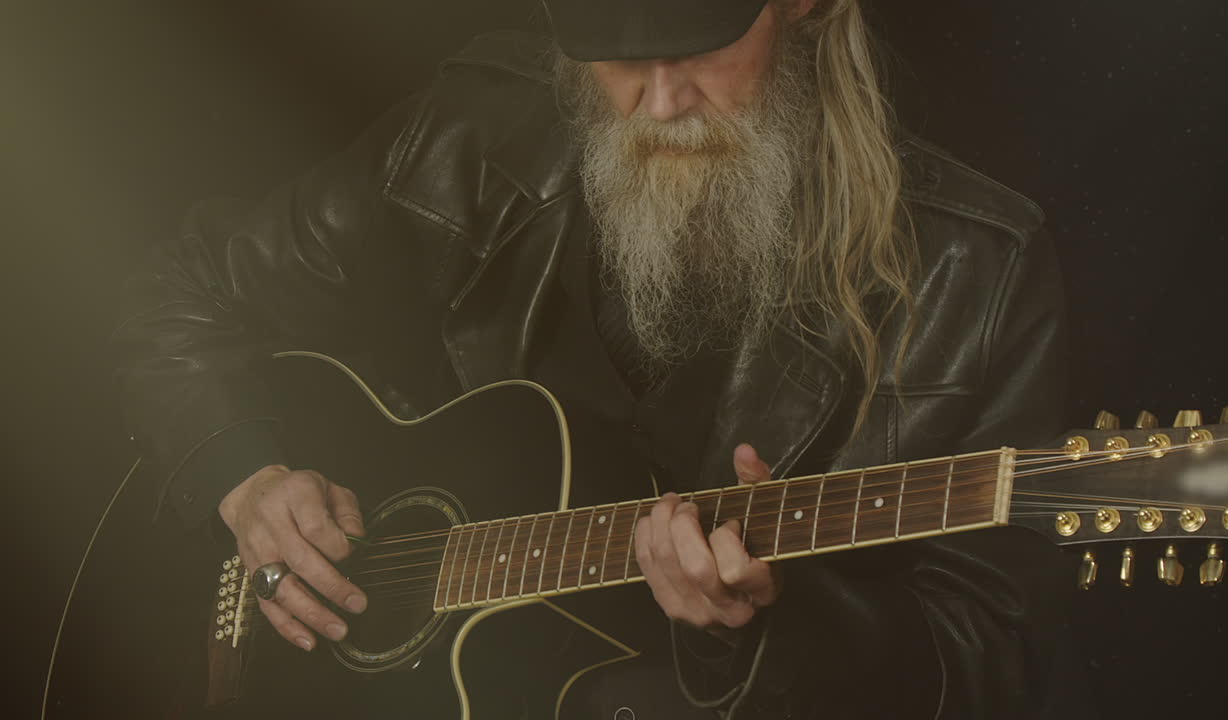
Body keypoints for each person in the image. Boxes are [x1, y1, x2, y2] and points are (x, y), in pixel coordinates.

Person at [111, 0, 1085, 717]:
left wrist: (765, 628)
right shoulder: (468, 134)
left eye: (701, 45)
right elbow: (182, 292)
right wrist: (240, 471)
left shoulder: (969, 262)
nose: (660, 103)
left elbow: (986, 655)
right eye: (616, 57)